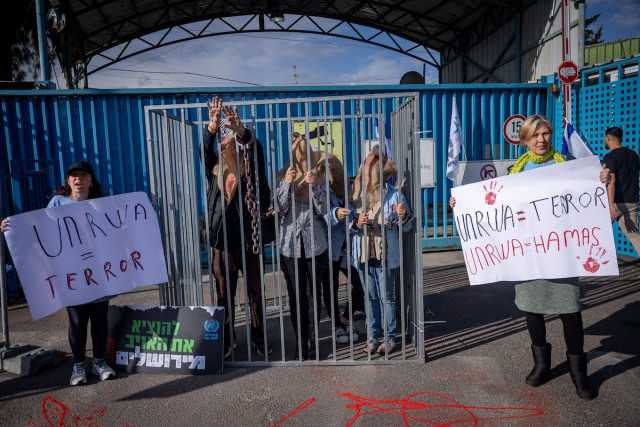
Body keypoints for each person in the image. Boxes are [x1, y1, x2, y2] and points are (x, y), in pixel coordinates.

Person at [450, 114, 610, 400]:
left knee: (570, 312)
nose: (541, 140)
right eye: (535, 135)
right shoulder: (514, 173)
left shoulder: (571, 167)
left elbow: (591, 198)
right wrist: (460, 203)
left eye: (546, 133)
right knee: (532, 309)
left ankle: (578, 371)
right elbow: (494, 210)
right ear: (524, 140)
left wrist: (601, 180)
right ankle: (542, 364)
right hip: (529, 256)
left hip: (561, 252)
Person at [2, 161, 116, 386]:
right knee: (77, 321)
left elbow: (119, 228)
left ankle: (100, 362)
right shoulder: (57, 202)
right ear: (67, 180)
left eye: (83, 175)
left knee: (100, 320)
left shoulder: (101, 204)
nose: (78, 179)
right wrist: (13, 226)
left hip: (98, 274)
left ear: (91, 181)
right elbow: (40, 229)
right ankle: (79, 366)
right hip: (71, 275)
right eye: (74, 175)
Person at [201, 97, 274, 358]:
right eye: (224, 139)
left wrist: (241, 131)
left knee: (255, 292)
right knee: (223, 296)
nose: (228, 144)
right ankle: (226, 340)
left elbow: (254, 148)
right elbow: (204, 153)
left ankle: (259, 338)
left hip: (248, 241)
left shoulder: (251, 164)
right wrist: (211, 127)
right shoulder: (216, 169)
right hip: (223, 241)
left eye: (233, 138)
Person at [349, 145, 412, 356]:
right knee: (370, 297)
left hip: (386, 251)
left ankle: (390, 337)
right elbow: (347, 224)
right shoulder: (357, 194)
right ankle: (373, 336)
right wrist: (357, 221)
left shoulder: (395, 195)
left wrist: (403, 216)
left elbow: (409, 225)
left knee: (387, 297)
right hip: (364, 251)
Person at [275, 133, 328, 360]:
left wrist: (314, 186)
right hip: (289, 247)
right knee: (296, 297)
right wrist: (287, 184)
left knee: (313, 296)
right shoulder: (281, 176)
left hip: (315, 244)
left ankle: (313, 343)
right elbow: (278, 209)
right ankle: (301, 344)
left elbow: (324, 208)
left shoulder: (318, 177)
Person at [315, 151, 361, 344]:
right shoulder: (320, 189)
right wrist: (336, 214)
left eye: (333, 168)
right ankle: (336, 326)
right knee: (330, 289)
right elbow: (321, 215)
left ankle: (346, 318)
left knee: (361, 284)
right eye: (325, 170)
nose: (331, 173)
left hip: (350, 247)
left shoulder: (350, 185)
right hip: (329, 248)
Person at [602, 126, 640, 254]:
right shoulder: (634, 155)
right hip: (632, 203)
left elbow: (611, 181)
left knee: (599, 231)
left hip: (616, 203)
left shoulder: (610, 157)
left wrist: (610, 205)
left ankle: (597, 262)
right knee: (634, 237)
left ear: (608, 138)